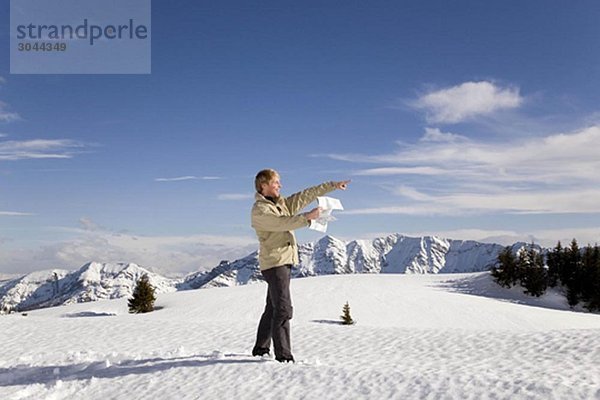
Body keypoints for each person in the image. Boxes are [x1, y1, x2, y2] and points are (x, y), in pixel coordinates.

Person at [250, 168, 350, 362]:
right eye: (276, 182)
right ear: (264, 185)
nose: (280, 185)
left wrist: (332, 186)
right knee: (284, 309)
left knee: (273, 307)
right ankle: (284, 357)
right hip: (275, 263)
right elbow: (281, 224)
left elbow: (305, 195)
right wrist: (307, 218)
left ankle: (261, 349)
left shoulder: (281, 203)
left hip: (283, 262)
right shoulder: (260, 210)